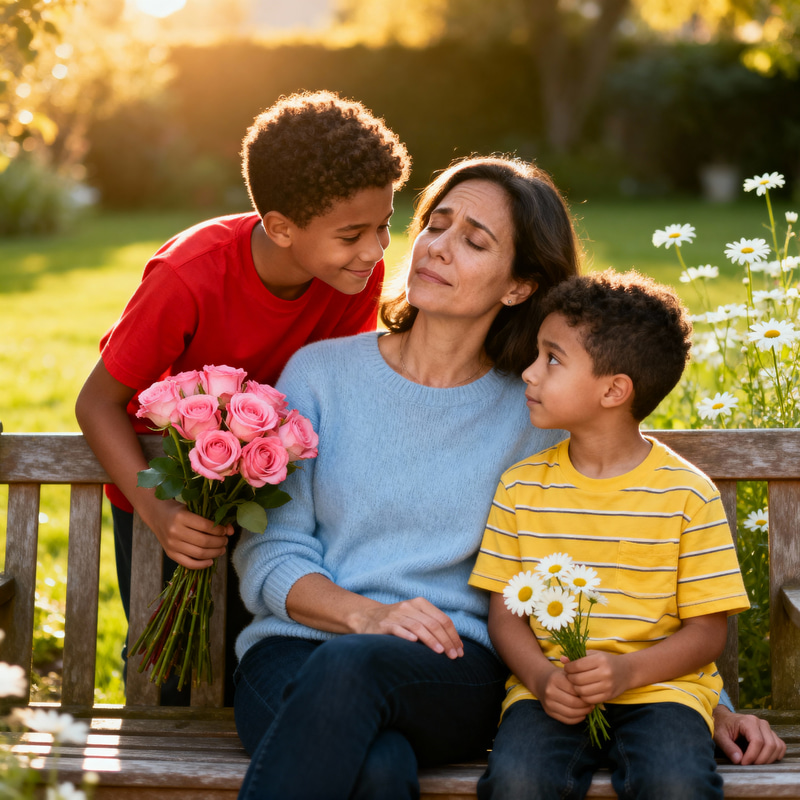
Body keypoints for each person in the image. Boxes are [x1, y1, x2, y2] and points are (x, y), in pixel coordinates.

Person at [230, 158, 781, 800]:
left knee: (355, 670)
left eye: (474, 240)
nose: (438, 247)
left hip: (451, 667)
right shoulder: (319, 375)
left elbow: (615, 547)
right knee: (378, 769)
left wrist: (706, 703)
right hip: (294, 652)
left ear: (518, 286)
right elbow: (269, 550)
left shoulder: (539, 409)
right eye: (437, 223)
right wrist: (366, 615)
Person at [74, 89, 411, 704]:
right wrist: (159, 514)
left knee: (247, 653)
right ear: (281, 227)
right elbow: (96, 403)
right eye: (353, 233)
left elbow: (332, 391)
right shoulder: (189, 274)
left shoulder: (352, 276)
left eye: (385, 226)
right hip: (165, 488)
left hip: (271, 492)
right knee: (172, 666)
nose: (376, 251)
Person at [469, 269, 784, 800]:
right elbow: (506, 614)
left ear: (614, 390)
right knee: (518, 782)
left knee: (676, 784)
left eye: (551, 358)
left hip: (663, 692)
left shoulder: (688, 494)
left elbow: (707, 632)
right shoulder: (521, 486)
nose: (528, 372)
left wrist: (625, 671)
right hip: (549, 695)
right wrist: (544, 681)